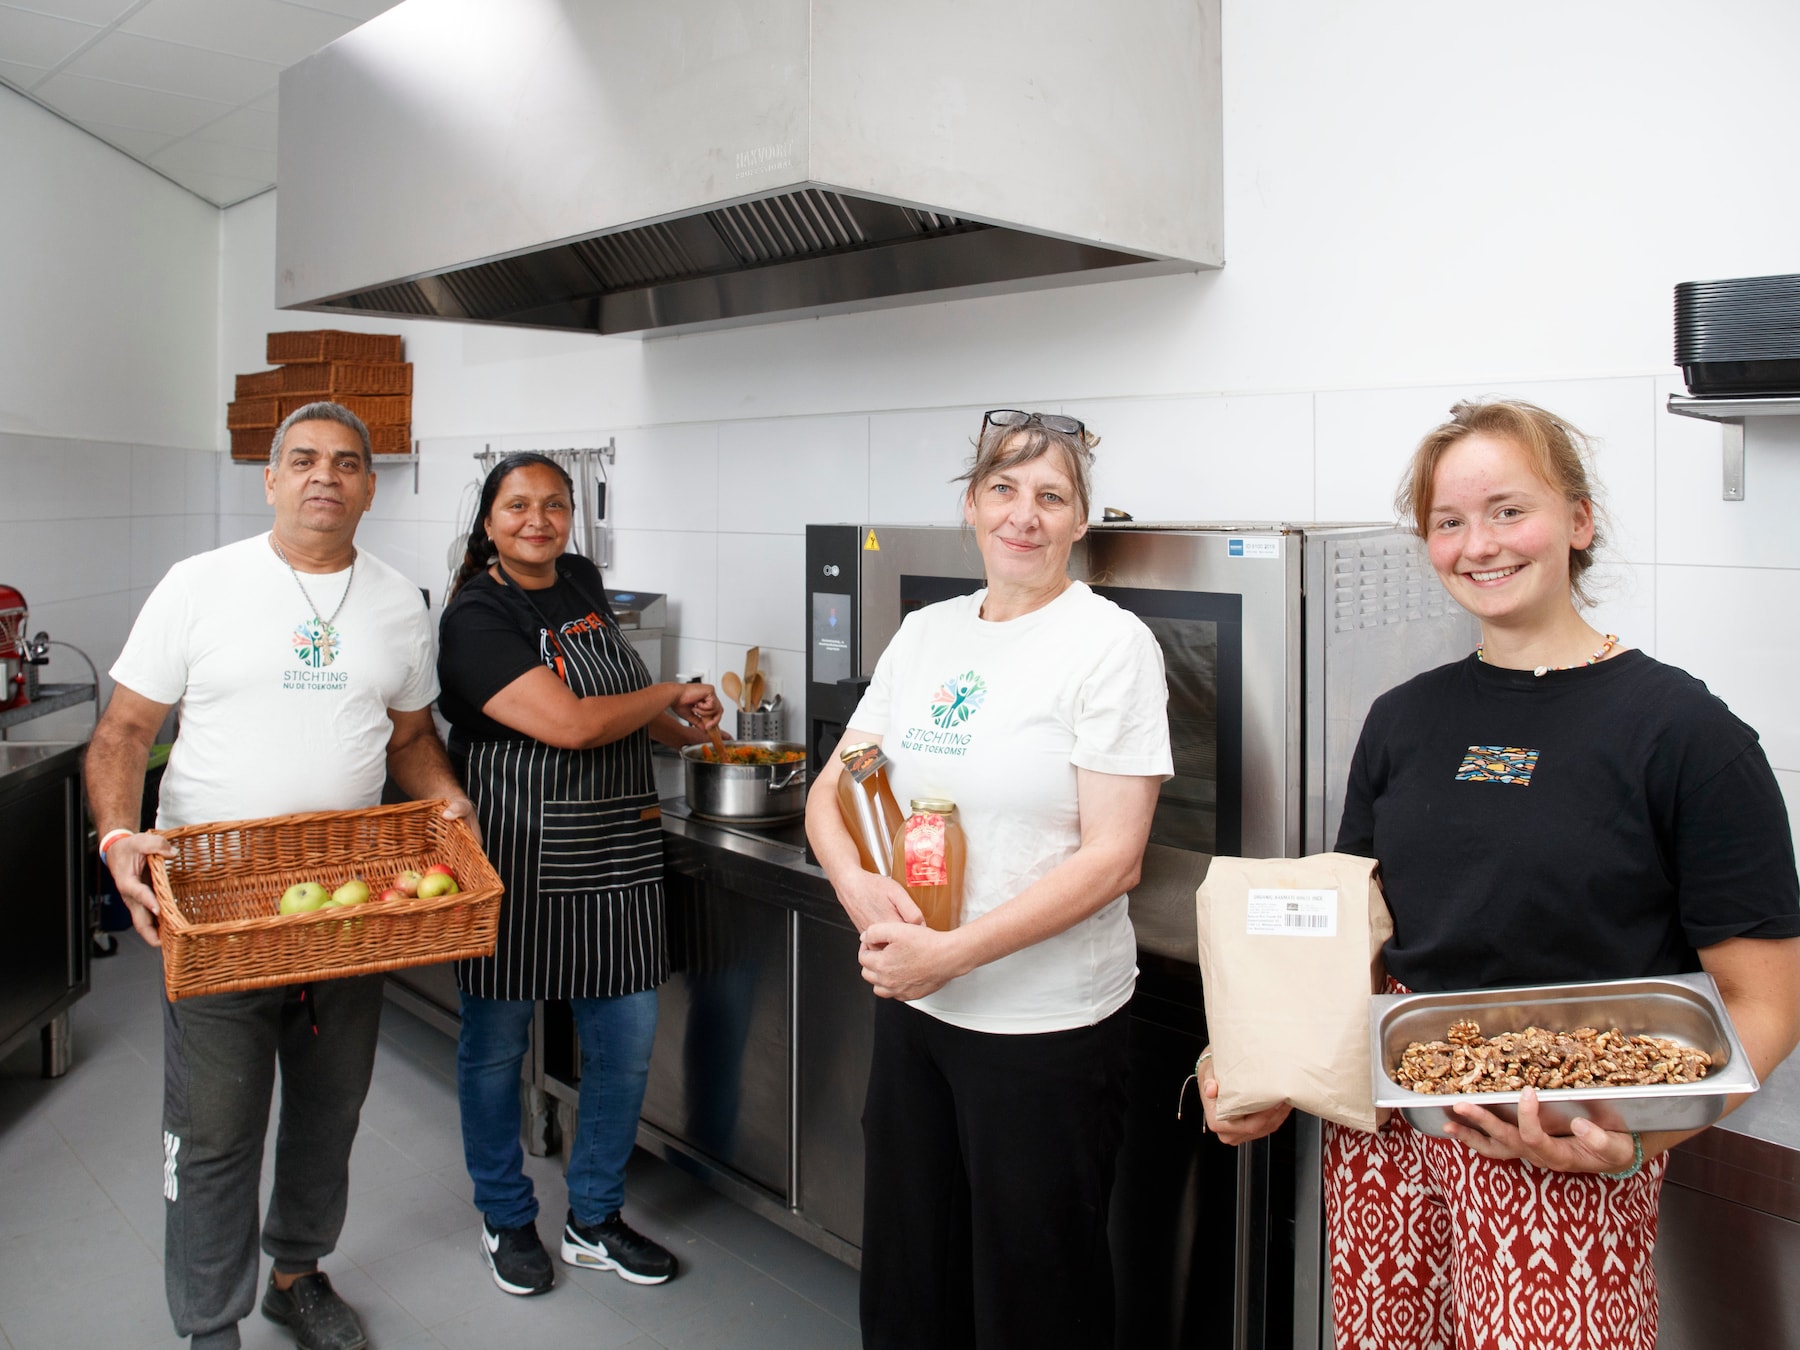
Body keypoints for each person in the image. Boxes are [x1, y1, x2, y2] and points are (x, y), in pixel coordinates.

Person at [1199, 399, 1800, 1350]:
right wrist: (1258, 1055)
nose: (1478, 544)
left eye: (1508, 510)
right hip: (1388, 1134)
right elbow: (1359, 936)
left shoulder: (1687, 736)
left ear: (1579, 521)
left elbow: (1765, 1001)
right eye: (1448, 522)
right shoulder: (1402, 719)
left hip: (1568, 1138)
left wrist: (1640, 1141)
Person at [88, 402, 477, 1350]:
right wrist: (116, 837)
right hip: (216, 904)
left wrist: (446, 802)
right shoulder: (200, 585)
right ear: (269, 479)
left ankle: (296, 1273)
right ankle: (209, 1320)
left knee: (330, 1106)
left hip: (346, 903)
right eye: (302, 460)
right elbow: (124, 733)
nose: (324, 477)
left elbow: (412, 738)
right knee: (214, 1127)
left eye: (347, 464)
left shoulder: (398, 601)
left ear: (370, 488)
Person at [805, 410, 1173, 1349]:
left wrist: (952, 954)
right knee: (910, 1271)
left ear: (1080, 521)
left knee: (1035, 1291)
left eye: (1052, 496)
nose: (1025, 515)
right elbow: (832, 790)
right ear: (971, 506)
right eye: (1004, 490)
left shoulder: (1110, 644)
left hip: (1043, 1026)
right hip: (917, 1006)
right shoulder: (927, 632)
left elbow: (1115, 855)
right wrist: (856, 890)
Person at [435, 452, 723, 1297]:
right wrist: (674, 686)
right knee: (495, 1048)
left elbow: (616, 706)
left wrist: (686, 728)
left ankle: (594, 1218)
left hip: (616, 851)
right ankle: (505, 1215)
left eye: (554, 506)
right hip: (517, 853)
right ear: (488, 521)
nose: (538, 520)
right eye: (518, 506)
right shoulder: (475, 614)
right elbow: (567, 724)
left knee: (625, 1046)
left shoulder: (582, 580)